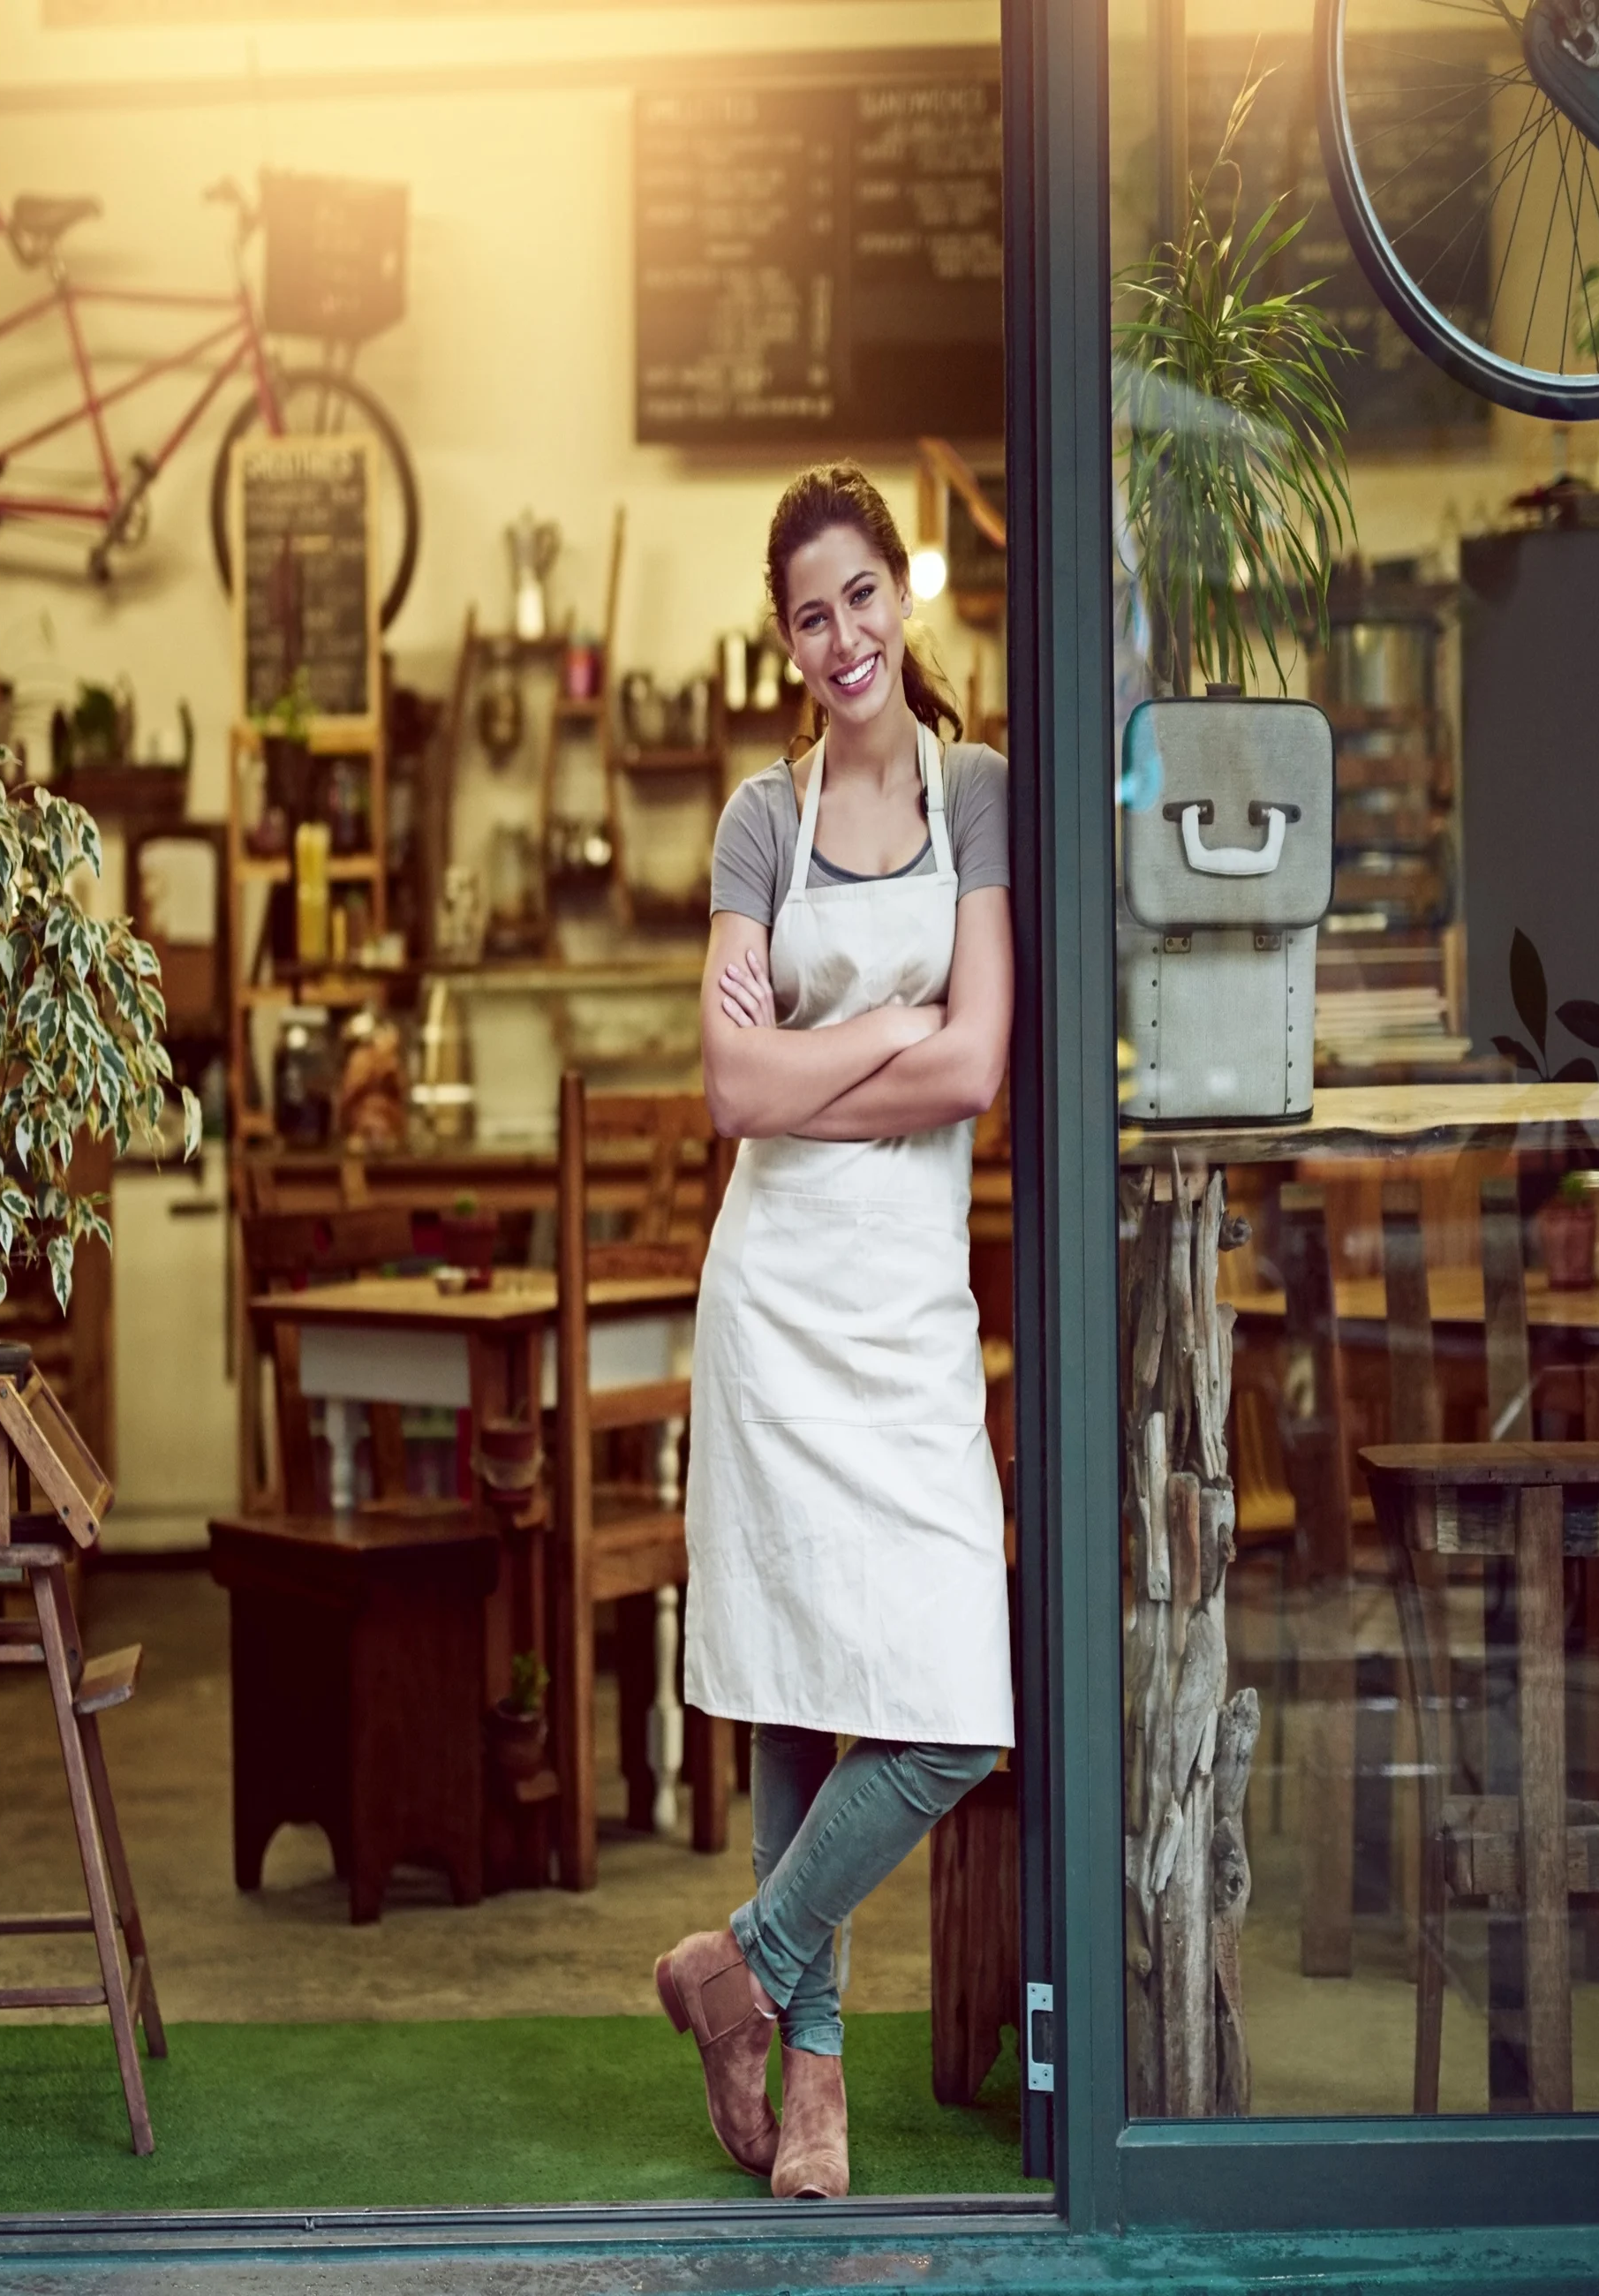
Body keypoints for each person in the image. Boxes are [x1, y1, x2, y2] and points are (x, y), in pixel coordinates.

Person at [654, 464, 1014, 2200]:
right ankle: (814, 2099)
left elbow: (983, 1065)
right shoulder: (754, 817)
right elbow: (734, 1090)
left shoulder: (982, 794)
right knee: (797, 1688)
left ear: (899, 593)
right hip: (778, 1290)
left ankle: (735, 1956)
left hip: (903, 1303)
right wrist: (893, 1023)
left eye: (860, 593)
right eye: (809, 613)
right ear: (784, 638)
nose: (841, 634)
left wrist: (834, 1054)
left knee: (950, 1700)